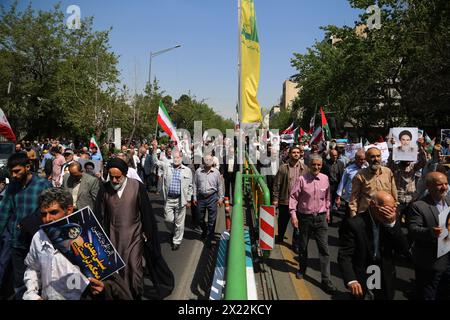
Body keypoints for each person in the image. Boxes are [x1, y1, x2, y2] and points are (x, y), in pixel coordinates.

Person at [95, 158, 174, 299]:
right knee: (118, 271)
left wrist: (148, 233)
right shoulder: (104, 189)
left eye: (117, 177)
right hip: (112, 237)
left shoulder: (137, 186)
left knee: (134, 269)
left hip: (134, 236)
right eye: (111, 177)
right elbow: (99, 214)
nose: (114, 180)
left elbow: (146, 212)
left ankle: (135, 294)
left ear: (125, 174)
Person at [23, 188, 93, 300]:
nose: (48, 219)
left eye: (53, 212)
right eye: (43, 214)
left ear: (69, 209)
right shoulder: (38, 237)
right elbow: (32, 268)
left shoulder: (87, 236)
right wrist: (32, 294)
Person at [338, 191, 409, 300]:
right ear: (372, 205)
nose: (389, 212)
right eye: (385, 209)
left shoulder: (391, 219)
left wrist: (392, 225)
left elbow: (403, 249)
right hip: (364, 272)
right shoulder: (354, 224)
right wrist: (351, 280)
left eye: (392, 208)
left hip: (384, 273)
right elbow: (345, 255)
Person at [0, 153, 51, 298]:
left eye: (17, 171)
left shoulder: (43, 185)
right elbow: (4, 213)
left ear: (27, 167)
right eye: (12, 172)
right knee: (20, 282)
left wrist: (28, 223)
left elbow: (50, 212)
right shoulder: (12, 188)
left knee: (40, 281)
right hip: (17, 242)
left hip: (39, 241)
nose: (14, 175)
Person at [289, 154, 336, 294]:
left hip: (321, 219)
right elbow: (293, 197)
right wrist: (293, 215)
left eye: (319, 165)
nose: (316, 167)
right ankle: (302, 269)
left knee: (324, 250)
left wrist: (327, 212)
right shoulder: (302, 180)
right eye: (314, 164)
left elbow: (327, 197)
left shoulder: (325, 179)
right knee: (303, 247)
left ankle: (326, 279)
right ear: (309, 165)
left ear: (321, 166)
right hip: (305, 218)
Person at [407, 172, 450, 300]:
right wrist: (431, 232)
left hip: (448, 259)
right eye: (439, 184)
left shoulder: (448, 201)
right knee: (428, 294)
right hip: (430, 261)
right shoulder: (418, 206)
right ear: (428, 186)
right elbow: (413, 229)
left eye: (446, 183)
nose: (444, 187)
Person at [273, 146, 308, 250]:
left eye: (298, 152)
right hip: (285, 199)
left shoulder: (305, 168)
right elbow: (277, 184)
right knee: (282, 221)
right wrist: (275, 199)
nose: (296, 154)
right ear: (289, 154)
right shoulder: (283, 168)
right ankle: (280, 237)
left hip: (299, 201)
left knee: (297, 223)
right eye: (294, 152)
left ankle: (295, 244)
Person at [349, 147, 397, 217]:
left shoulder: (388, 172)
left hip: (386, 213)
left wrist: (394, 208)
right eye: (372, 157)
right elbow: (354, 197)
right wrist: (353, 217)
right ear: (367, 159)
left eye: (378, 156)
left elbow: (394, 192)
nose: (376, 159)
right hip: (367, 214)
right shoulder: (360, 175)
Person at [160, 149, 193, 250]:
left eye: (178, 157)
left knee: (179, 222)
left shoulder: (187, 170)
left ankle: (176, 241)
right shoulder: (167, 167)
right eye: (174, 157)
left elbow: (190, 186)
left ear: (181, 158)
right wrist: (154, 149)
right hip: (169, 199)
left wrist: (188, 199)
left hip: (180, 199)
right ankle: (174, 231)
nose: (176, 159)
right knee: (168, 219)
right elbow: (157, 162)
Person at [193, 155, 224, 247]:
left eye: (210, 159)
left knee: (212, 219)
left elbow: (219, 186)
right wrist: (194, 197)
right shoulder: (198, 172)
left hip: (212, 197)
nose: (208, 161)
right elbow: (195, 184)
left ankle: (210, 238)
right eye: (206, 159)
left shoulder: (216, 173)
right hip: (201, 197)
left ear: (213, 162)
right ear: (203, 161)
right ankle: (205, 230)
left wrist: (221, 198)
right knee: (199, 218)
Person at [336, 149, 367, 217]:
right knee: (349, 218)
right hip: (350, 199)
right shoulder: (348, 169)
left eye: (364, 159)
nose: (363, 161)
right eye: (360, 159)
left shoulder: (366, 169)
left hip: (362, 199)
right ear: (356, 159)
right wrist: (338, 197)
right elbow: (342, 183)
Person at [321, 149, 345, 224]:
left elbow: (342, 175)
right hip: (329, 185)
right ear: (330, 156)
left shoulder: (340, 163)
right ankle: (329, 218)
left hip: (337, 185)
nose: (334, 157)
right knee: (329, 201)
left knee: (336, 201)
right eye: (333, 155)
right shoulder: (325, 164)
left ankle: (332, 213)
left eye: (336, 155)